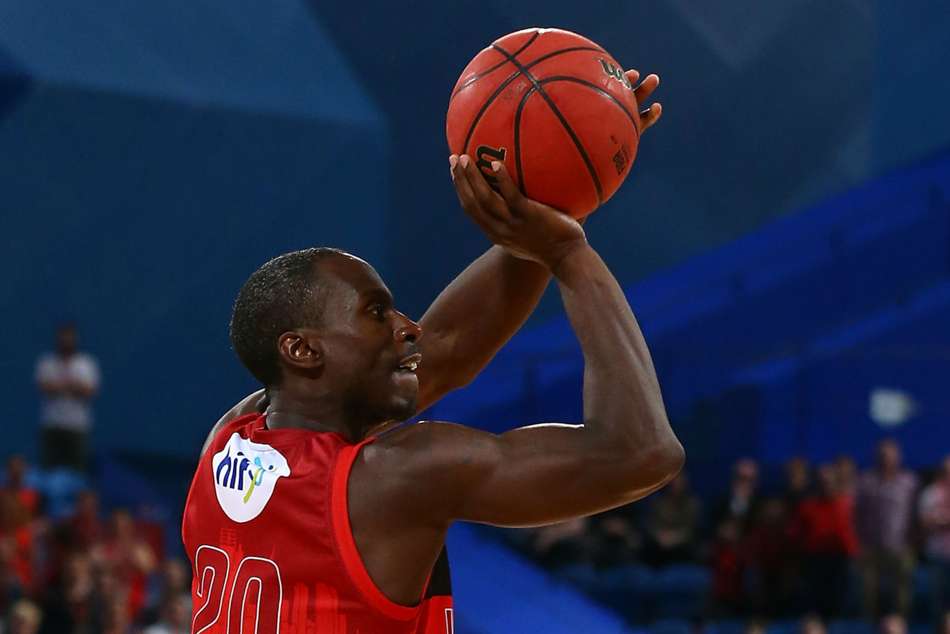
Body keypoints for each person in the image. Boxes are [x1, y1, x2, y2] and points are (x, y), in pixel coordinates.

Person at [182, 70, 681, 633]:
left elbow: (443, 349)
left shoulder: (227, 441)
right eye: (376, 313)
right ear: (302, 351)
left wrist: (557, 195)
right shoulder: (396, 478)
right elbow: (640, 452)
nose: (407, 328)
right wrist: (568, 252)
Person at [855, 439, 918, 618]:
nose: (886, 460)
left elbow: (915, 514)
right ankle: (869, 625)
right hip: (871, 547)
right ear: (877, 457)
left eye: (890, 456)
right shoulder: (866, 481)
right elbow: (857, 514)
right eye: (883, 456)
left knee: (902, 593)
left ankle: (900, 624)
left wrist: (914, 542)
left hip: (901, 546)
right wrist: (860, 543)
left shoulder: (909, 482)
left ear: (898, 458)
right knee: (868, 592)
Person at [789, 463, 858, 619]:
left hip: (841, 561)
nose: (825, 485)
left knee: (839, 603)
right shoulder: (806, 506)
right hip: (815, 562)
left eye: (828, 481)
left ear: (836, 482)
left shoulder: (848, 504)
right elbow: (795, 533)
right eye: (821, 481)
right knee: (815, 605)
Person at [34, 323, 100, 472]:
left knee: (78, 469)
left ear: (75, 340)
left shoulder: (86, 364)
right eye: (63, 338)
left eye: (69, 338)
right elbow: (44, 387)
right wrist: (73, 386)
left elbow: (90, 391)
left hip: (77, 425)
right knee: (48, 469)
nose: (66, 342)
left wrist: (61, 386)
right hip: (52, 423)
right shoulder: (47, 362)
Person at [919, 456, 950, 616]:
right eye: (946, 471)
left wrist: (940, 520)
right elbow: (925, 522)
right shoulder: (930, 493)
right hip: (936, 555)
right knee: (937, 600)